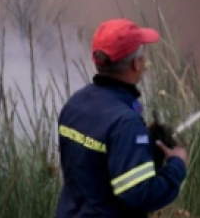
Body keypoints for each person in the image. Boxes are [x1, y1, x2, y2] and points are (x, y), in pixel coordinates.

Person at [54, 18, 189, 218]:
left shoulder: (76, 103)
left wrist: (145, 150)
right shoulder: (125, 123)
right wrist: (177, 165)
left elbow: (94, 164)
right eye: (143, 57)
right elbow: (140, 195)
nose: (144, 63)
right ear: (135, 64)